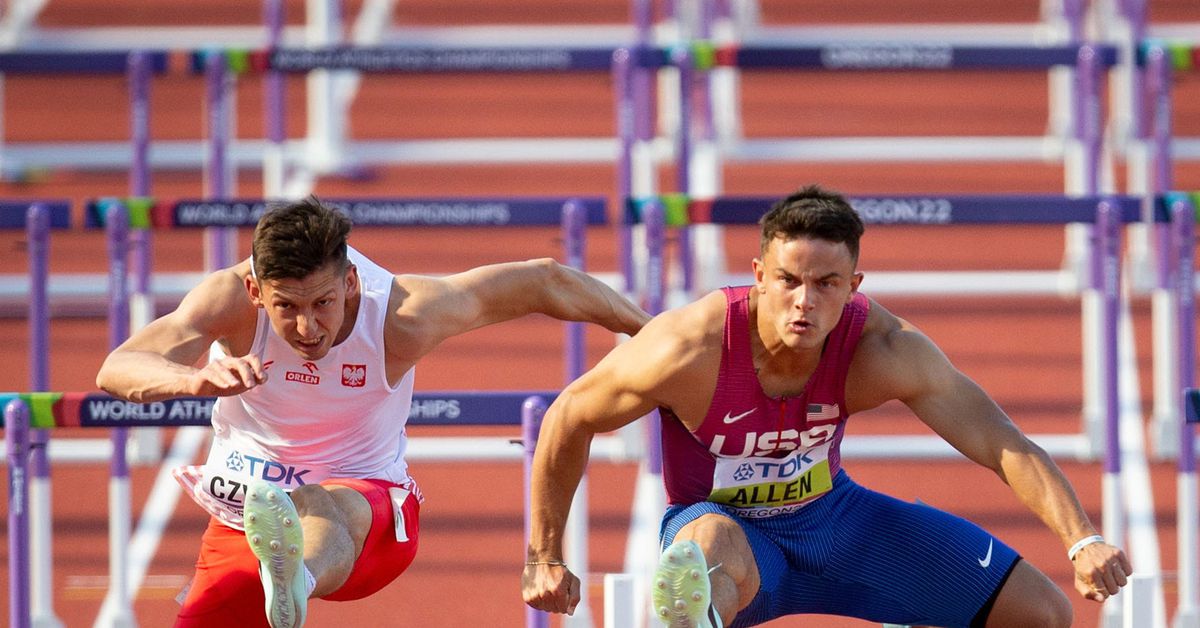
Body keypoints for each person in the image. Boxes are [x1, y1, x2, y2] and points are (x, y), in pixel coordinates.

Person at [522, 185, 1131, 627]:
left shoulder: (884, 348)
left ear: (854, 286)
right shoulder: (689, 347)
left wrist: (1082, 541)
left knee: (1043, 615)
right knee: (700, 561)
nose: (804, 303)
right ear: (759, 274)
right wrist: (545, 556)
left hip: (837, 520)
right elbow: (569, 417)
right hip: (726, 528)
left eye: (826, 284)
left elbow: (1003, 443)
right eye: (788, 280)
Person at [95, 196, 650, 628]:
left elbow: (544, 279)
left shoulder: (402, 315)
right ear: (255, 291)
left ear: (351, 283)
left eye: (323, 304)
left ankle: (297, 579)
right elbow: (119, 367)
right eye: (286, 308)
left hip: (370, 517)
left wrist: (655, 337)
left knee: (318, 505)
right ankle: (281, 571)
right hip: (248, 515)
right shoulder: (227, 302)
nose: (308, 328)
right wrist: (190, 378)